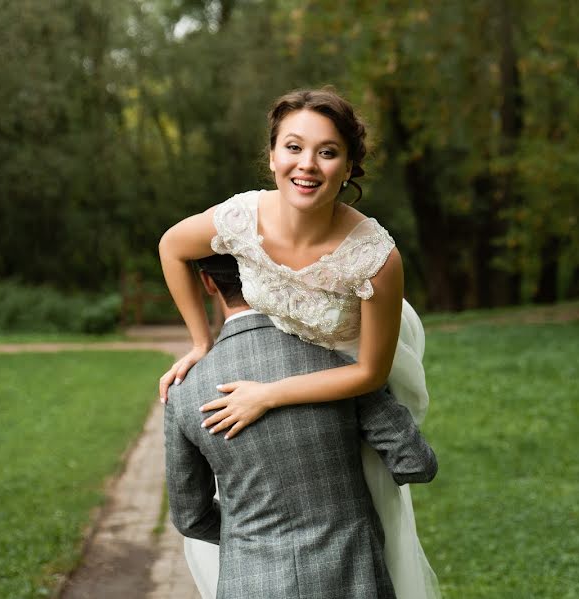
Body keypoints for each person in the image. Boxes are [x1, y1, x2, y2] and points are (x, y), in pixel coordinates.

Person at [158, 87, 440, 598]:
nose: (306, 165)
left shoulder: (376, 256)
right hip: (281, 339)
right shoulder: (242, 217)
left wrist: (267, 394)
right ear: (271, 157)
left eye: (327, 152)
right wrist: (202, 343)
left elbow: (370, 374)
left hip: (355, 360)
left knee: (366, 504)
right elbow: (172, 247)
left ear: (349, 165)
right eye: (293, 147)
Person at [164, 254, 437, 598]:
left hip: (250, 583)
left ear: (207, 282)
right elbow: (416, 463)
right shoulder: (343, 366)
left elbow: (190, 518)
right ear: (279, 269)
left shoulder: (184, 391)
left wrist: (249, 535)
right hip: (355, 578)